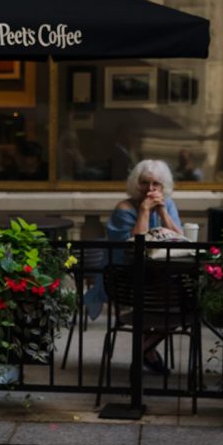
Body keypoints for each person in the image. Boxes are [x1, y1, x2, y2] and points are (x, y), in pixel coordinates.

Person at [83, 160, 184, 373]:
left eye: (156, 184)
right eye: (145, 183)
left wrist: (164, 212)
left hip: (159, 277)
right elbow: (133, 250)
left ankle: (144, 350)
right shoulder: (123, 209)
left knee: (186, 306)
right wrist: (145, 211)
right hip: (125, 280)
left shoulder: (169, 204)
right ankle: (148, 352)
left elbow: (180, 239)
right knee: (167, 306)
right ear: (135, 184)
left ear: (163, 186)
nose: (150, 189)